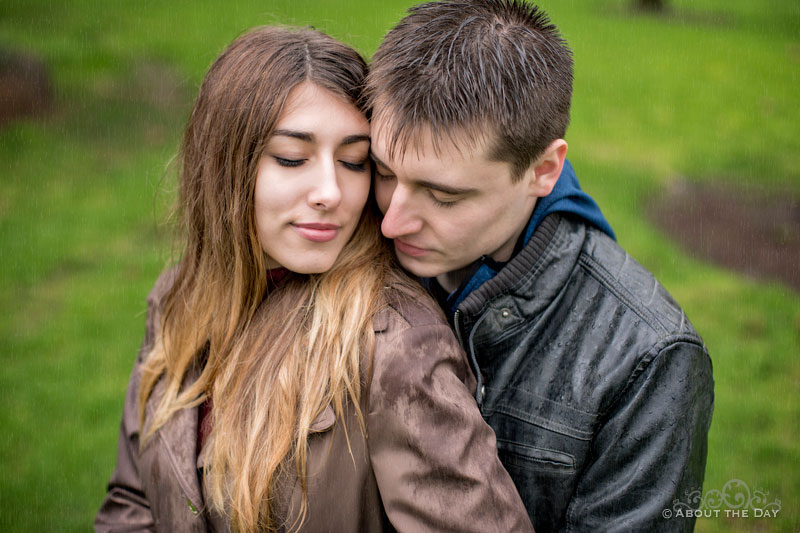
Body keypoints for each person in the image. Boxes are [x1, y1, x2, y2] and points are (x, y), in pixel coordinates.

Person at [94, 26, 534, 532]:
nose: (331, 191)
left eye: (354, 161)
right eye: (291, 158)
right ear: (223, 166)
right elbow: (132, 501)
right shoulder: (176, 300)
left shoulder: (395, 344)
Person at [365, 1, 714, 531]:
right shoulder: (341, 245)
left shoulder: (647, 358)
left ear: (544, 169)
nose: (391, 223)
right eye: (384, 171)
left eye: (443, 195)